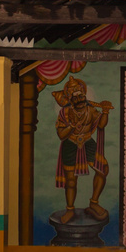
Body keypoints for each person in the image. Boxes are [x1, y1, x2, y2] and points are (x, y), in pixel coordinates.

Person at [53, 76, 113, 220]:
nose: (79, 98)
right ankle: (70, 210)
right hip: (71, 144)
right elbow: (61, 135)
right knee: (71, 180)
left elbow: (101, 125)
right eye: (75, 96)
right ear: (69, 98)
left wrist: (105, 112)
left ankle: (94, 203)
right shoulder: (65, 113)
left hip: (87, 142)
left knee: (102, 169)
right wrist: (72, 126)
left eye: (81, 95)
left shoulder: (91, 110)